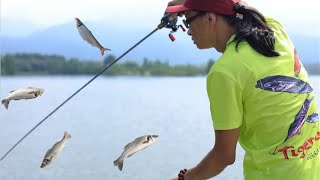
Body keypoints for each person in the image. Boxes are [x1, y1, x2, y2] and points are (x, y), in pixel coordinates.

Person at [164, 0, 320, 179]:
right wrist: (182, 4)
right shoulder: (274, 30)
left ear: (209, 18)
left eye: (188, 21)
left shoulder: (225, 72)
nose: (189, 30)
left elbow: (223, 156)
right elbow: (237, 6)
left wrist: (186, 178)